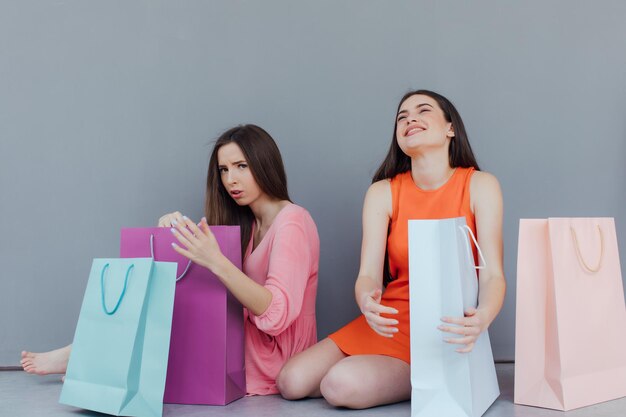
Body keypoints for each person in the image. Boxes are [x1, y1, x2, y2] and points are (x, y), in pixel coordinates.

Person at [21, 124, 320, 395]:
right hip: (238, 342)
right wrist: (174, 232)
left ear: (264, 164)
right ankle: (92, 355)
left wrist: (216, 260)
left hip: (271, 357)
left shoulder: (292, 222)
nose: (231, 180)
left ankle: (88, 355)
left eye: (241, 166)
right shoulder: (249, 224)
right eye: (224, 170)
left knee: (177, 305)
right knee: (172, 286)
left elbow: (277, 314)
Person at [277, 90, 506, 409]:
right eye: (402, 116)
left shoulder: (480, 185)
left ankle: (423, 374)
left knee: (338, 385)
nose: (410, 118)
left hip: (441, 329)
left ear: (450, 128)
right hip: (389, 320)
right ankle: (397, 374)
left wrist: (482, 319)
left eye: (423, 111)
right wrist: (366, 300)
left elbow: (494, 275)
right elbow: (368, 275)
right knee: (290, 381)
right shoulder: (382, 192)